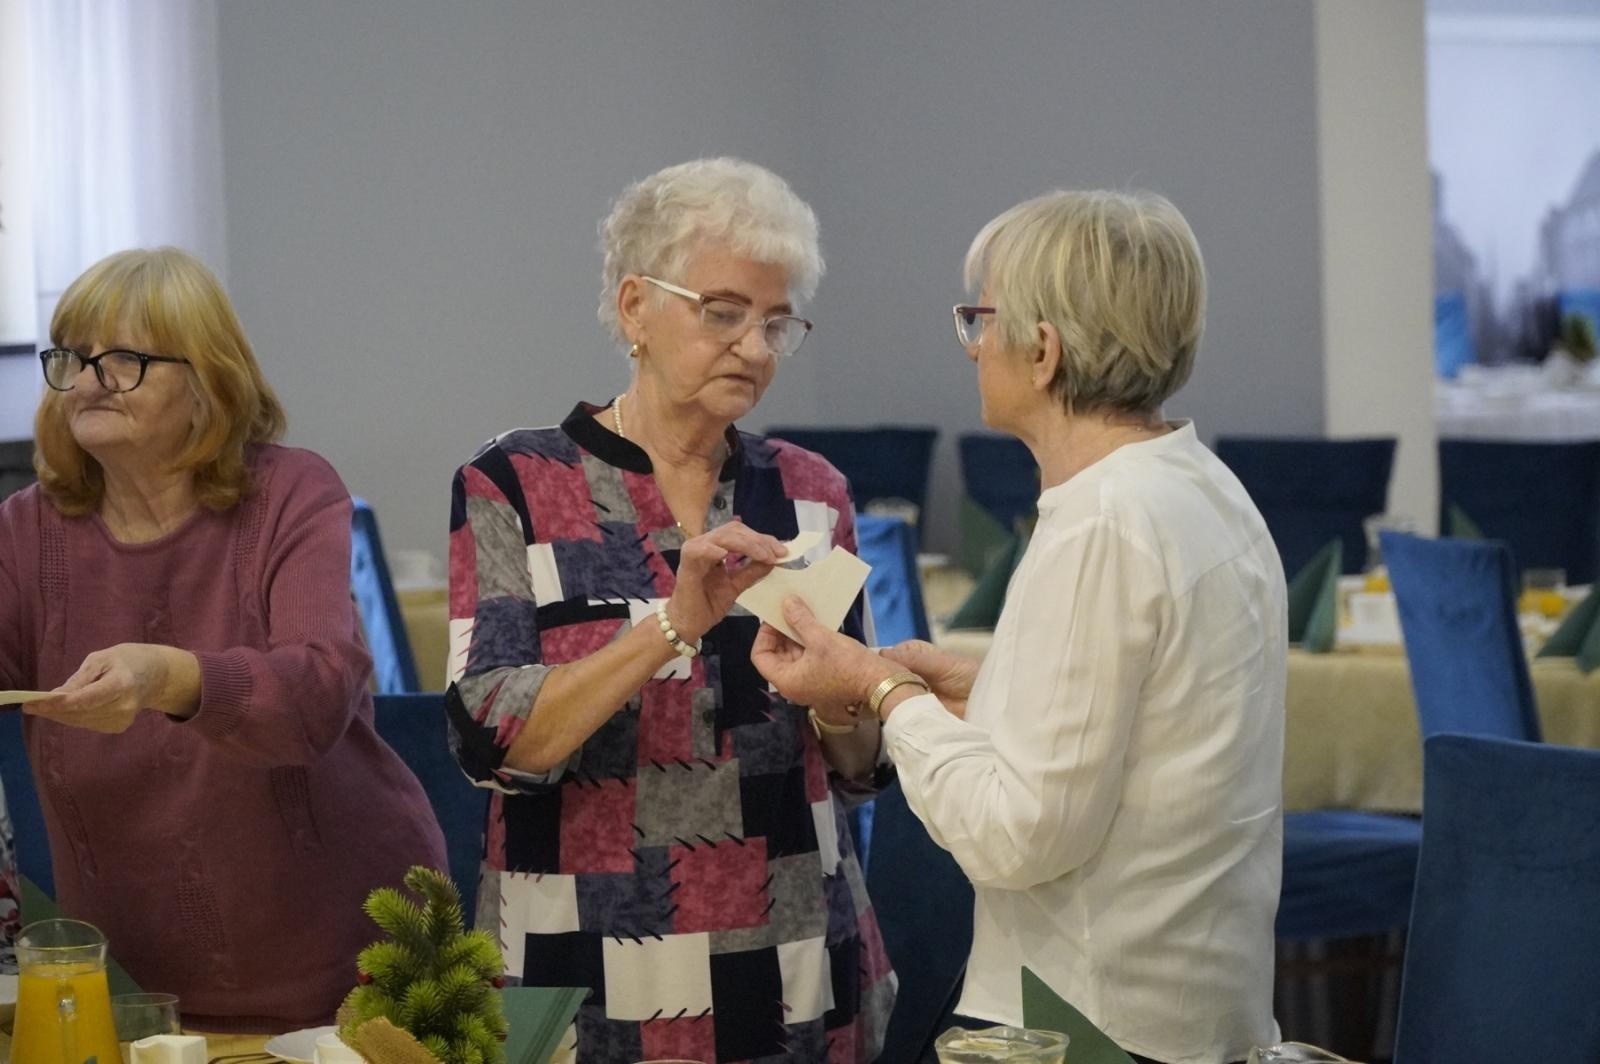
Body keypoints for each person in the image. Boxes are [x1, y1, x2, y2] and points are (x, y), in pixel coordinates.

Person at [752, 189, 1285, 1064]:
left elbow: (1016, 834)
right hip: (1193, 999)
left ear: (1042, 350)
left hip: (1093, 1018)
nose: (972, 347)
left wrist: (881, 691)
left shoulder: (1102, 522)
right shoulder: (1200, 485)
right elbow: (1153, 737)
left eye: (980, 318)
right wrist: (980, 693)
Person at [447, 157, 894, 1063]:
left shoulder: (809, 494)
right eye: (723, 312)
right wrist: (670, 626)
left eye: (777, 323)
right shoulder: (517, 484)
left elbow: (856, 768)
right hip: (581, 967)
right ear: (635, 308)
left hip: (793, 960)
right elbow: (490, 739)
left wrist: (849, 704)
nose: (756, 347)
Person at [0, 247, 447, 1032]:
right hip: (138, 987)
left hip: (350, 971)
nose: (87, 379)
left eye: (126, 358)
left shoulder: (291, 492)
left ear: (208, 383)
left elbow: (313, 693)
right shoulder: (25, 531)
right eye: (72, 355)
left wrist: (166, 678)